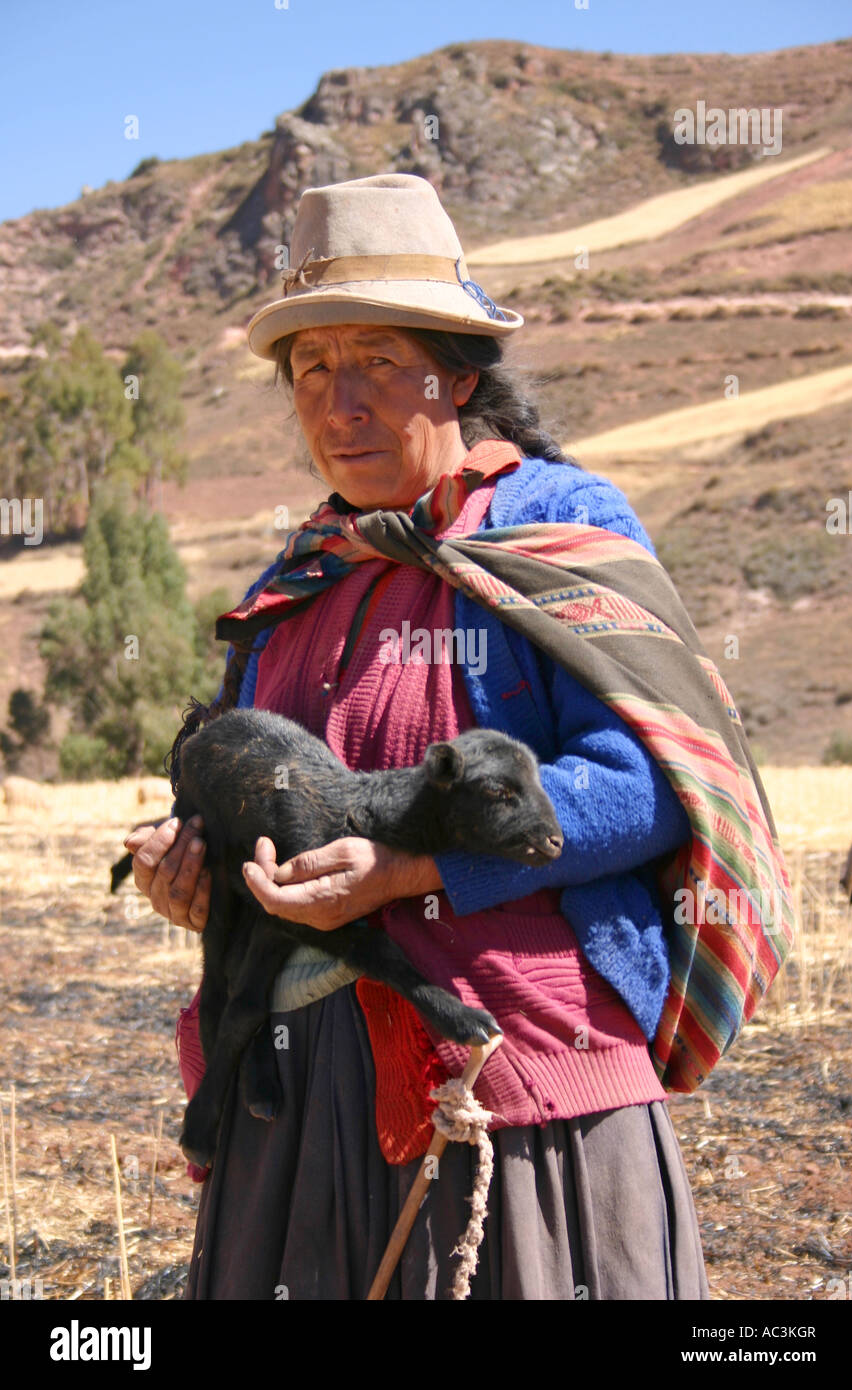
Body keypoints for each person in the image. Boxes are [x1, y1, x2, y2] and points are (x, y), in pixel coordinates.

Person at [124, 172, 714, 1300]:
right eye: (311, 368)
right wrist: (195, 870)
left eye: (380, 362)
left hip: (505, 1079)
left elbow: (645, 783)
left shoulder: (558, 530)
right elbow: (257, 801)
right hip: (293, 1099)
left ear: (458, 371)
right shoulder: (294, 583)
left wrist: (413, 867)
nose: (340, 401)